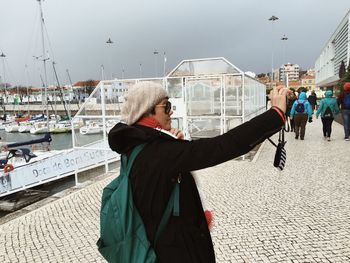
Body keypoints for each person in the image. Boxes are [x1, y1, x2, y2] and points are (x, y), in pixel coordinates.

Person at [108, 81, 288, 263]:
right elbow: (222, 146)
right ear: (147, 111)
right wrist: (275, 114)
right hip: (175, 253)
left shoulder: (134, 147)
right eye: (166, 106)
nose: (171, 112)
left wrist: (169, 140)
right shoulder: (162, 152)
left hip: (157, 244)